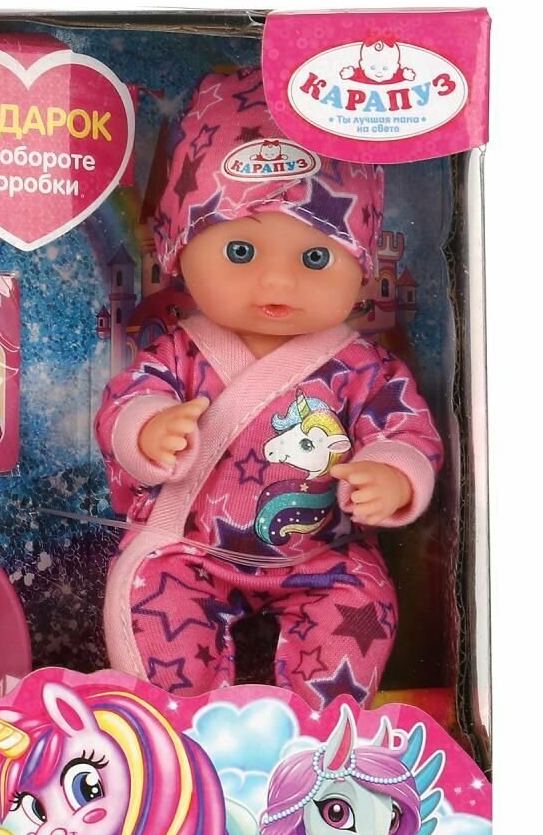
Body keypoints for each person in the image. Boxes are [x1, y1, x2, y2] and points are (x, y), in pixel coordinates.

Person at [95, 68, 442, 708]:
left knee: (360, 605)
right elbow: (126, 400)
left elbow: (406, 429)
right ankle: (180, 723)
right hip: (192, 546)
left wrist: (393, 474)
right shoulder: (178, 352)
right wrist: (147, 429)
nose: (277, 284)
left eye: (315, 258)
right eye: (240, 253)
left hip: (324, 554)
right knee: (155, 594)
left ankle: (322, 734)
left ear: (362, 264)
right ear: (180, 248)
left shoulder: (362, 368)